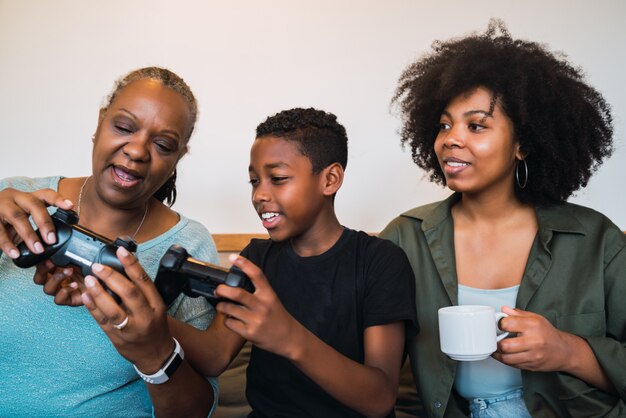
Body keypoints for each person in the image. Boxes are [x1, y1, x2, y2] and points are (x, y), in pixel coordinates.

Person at [81, 107, 418, 417]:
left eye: (278, 178)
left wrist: (287, 337)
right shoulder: (256, 258)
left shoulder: (380, 261)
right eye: (255, 181)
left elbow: (380, 398)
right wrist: (139, 307)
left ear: (329, 180)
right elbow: (214, 355)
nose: (259, 194)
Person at [380, 19, 625, 418]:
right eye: (444, 124)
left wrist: (569, 350)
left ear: (523, 145)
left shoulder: (596, 241)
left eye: (476, 125)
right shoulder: (406, 237)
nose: (450, 139)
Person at [0, 67, 219, 417]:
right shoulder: (13, 202)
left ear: (177, 157)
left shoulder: (188, 247)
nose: (137, 151)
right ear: (101, 122)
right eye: (124, 127)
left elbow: (197, 410)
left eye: (162, 144)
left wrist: (154, 353)